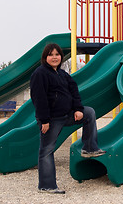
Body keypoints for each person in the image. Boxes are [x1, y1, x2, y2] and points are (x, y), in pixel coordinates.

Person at [30, 43, 106, 194]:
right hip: (51, 119)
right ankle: (46, 185)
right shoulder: (40, 73)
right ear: (45, 57)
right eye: (51, 55)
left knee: (89, 112)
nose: (54, 57)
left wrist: (78, 109)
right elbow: (39, 98)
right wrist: (44, 120)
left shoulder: (63, 74)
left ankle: (89, 148)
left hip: (67, 115)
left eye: (57, 54)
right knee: (46, 150)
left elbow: (74, 91)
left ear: (61, 57)